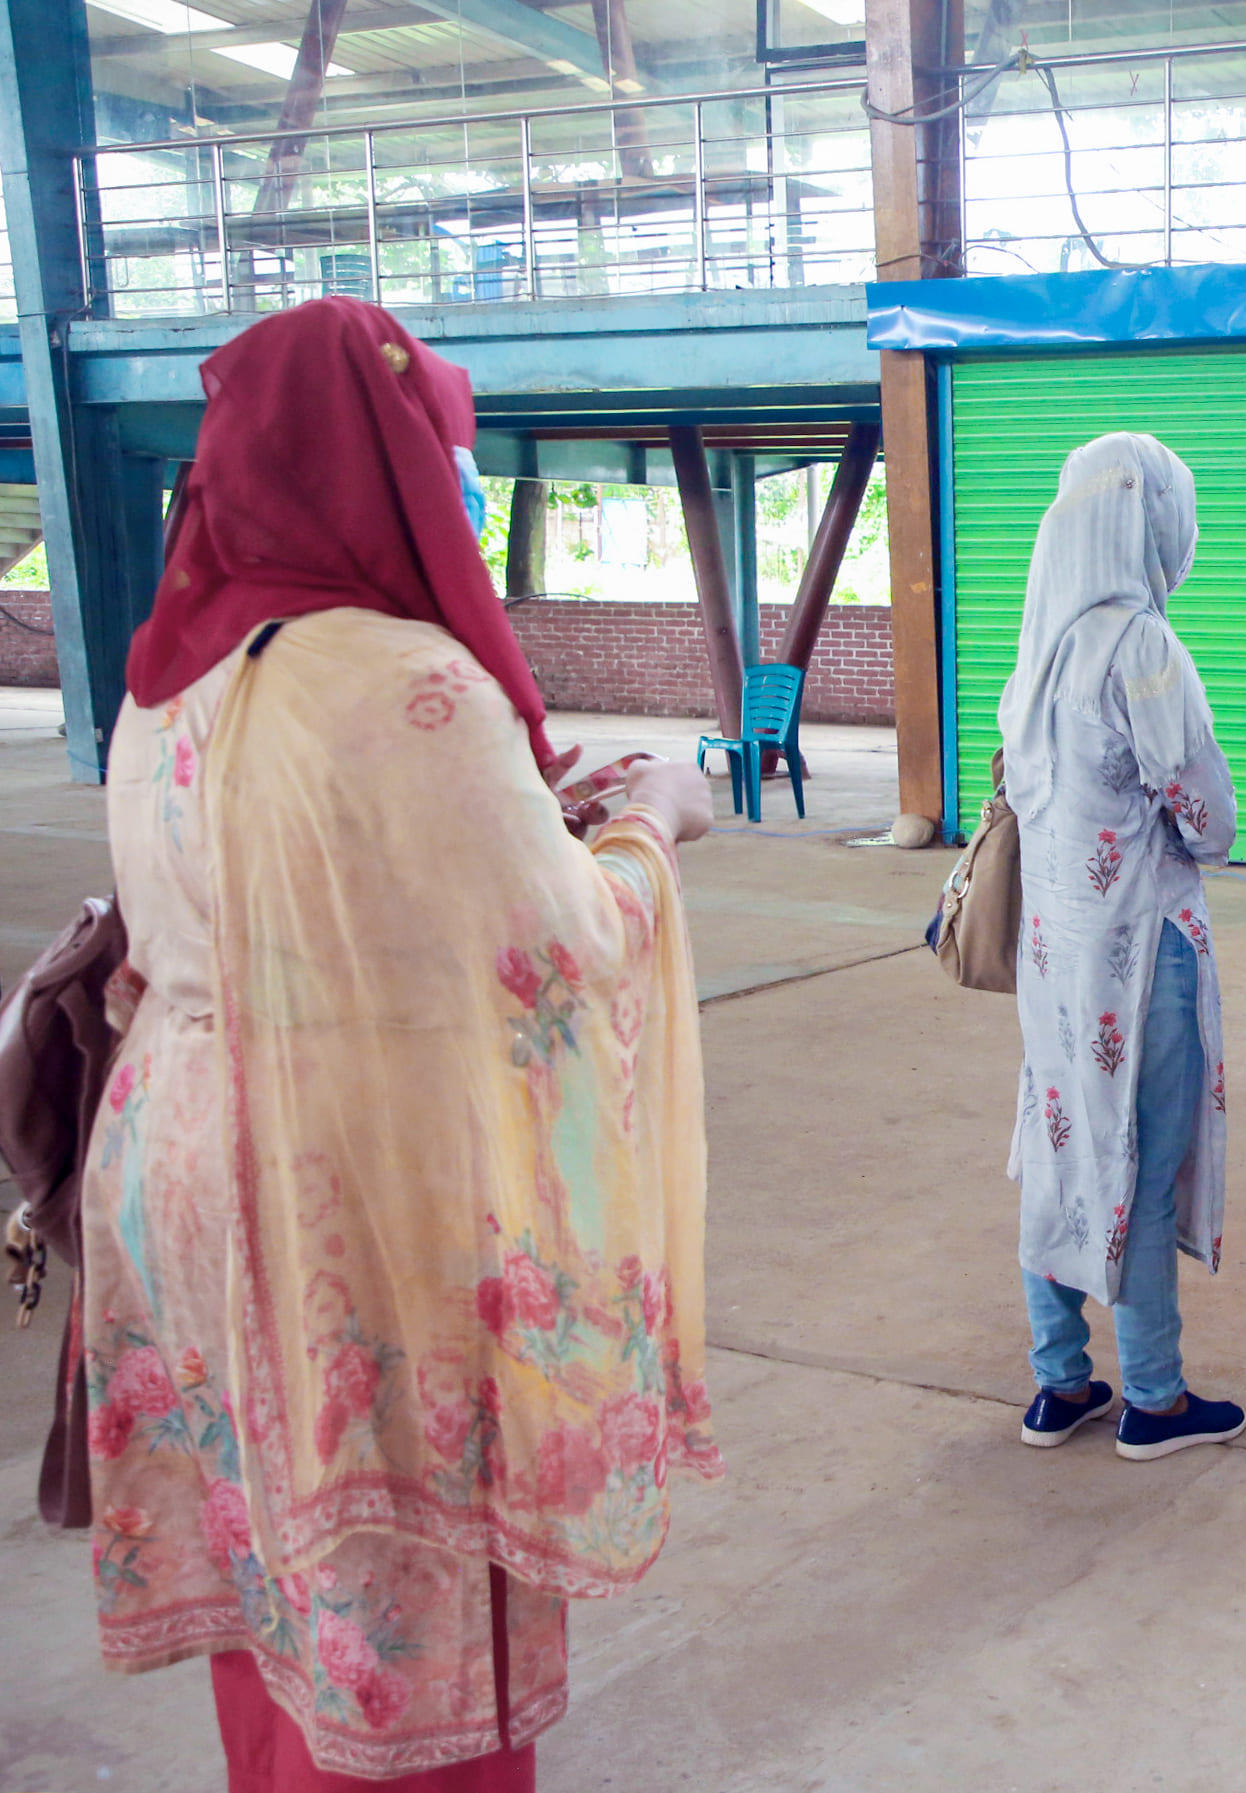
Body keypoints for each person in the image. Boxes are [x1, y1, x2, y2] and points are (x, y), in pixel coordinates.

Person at [82, 296, 721, 1791]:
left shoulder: (164, 681)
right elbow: (561, 951)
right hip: (347, 1183)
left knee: (273, 1570)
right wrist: (649, 821)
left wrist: (524, 821)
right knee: (399, 1595)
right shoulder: (405, 682)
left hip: (179, 1157)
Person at [998, 432, 1246, 1461]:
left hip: (1055, 953)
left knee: (1061, 1145)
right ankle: (1154, 1397)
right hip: (1142, 952)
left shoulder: (1038, 646)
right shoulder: (1138, 645)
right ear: (1149, 521)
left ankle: (1059, 1382)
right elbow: (1210, 820)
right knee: (1133, 1159)